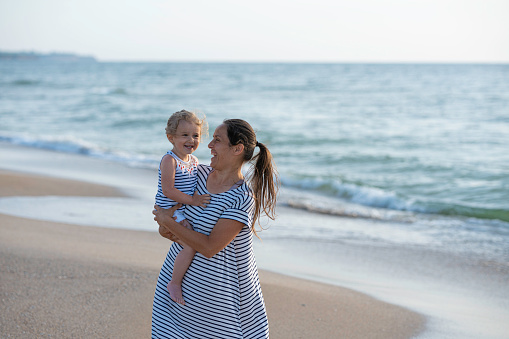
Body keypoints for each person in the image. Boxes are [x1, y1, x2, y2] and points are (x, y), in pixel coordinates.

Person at [152, 118, 279, 339]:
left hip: (219, 304)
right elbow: (167, 218)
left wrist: (169, 222)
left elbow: (209, 248)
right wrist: (166, 226)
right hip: (175, 293)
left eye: (217, 140)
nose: (209, 145)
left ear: (237, 149)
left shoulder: (241, 198)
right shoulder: (196, 174)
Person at [154, 110, 210, 305]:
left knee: (190, 239)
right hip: (169, 208)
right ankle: (174, 283)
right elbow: (168, 190)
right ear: (171, 138)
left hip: (182, 209)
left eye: (195, 135)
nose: (191, 140)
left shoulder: (194, 161)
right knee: (190, 245)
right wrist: (193, 201)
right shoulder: (169, 160)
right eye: (185, 135)